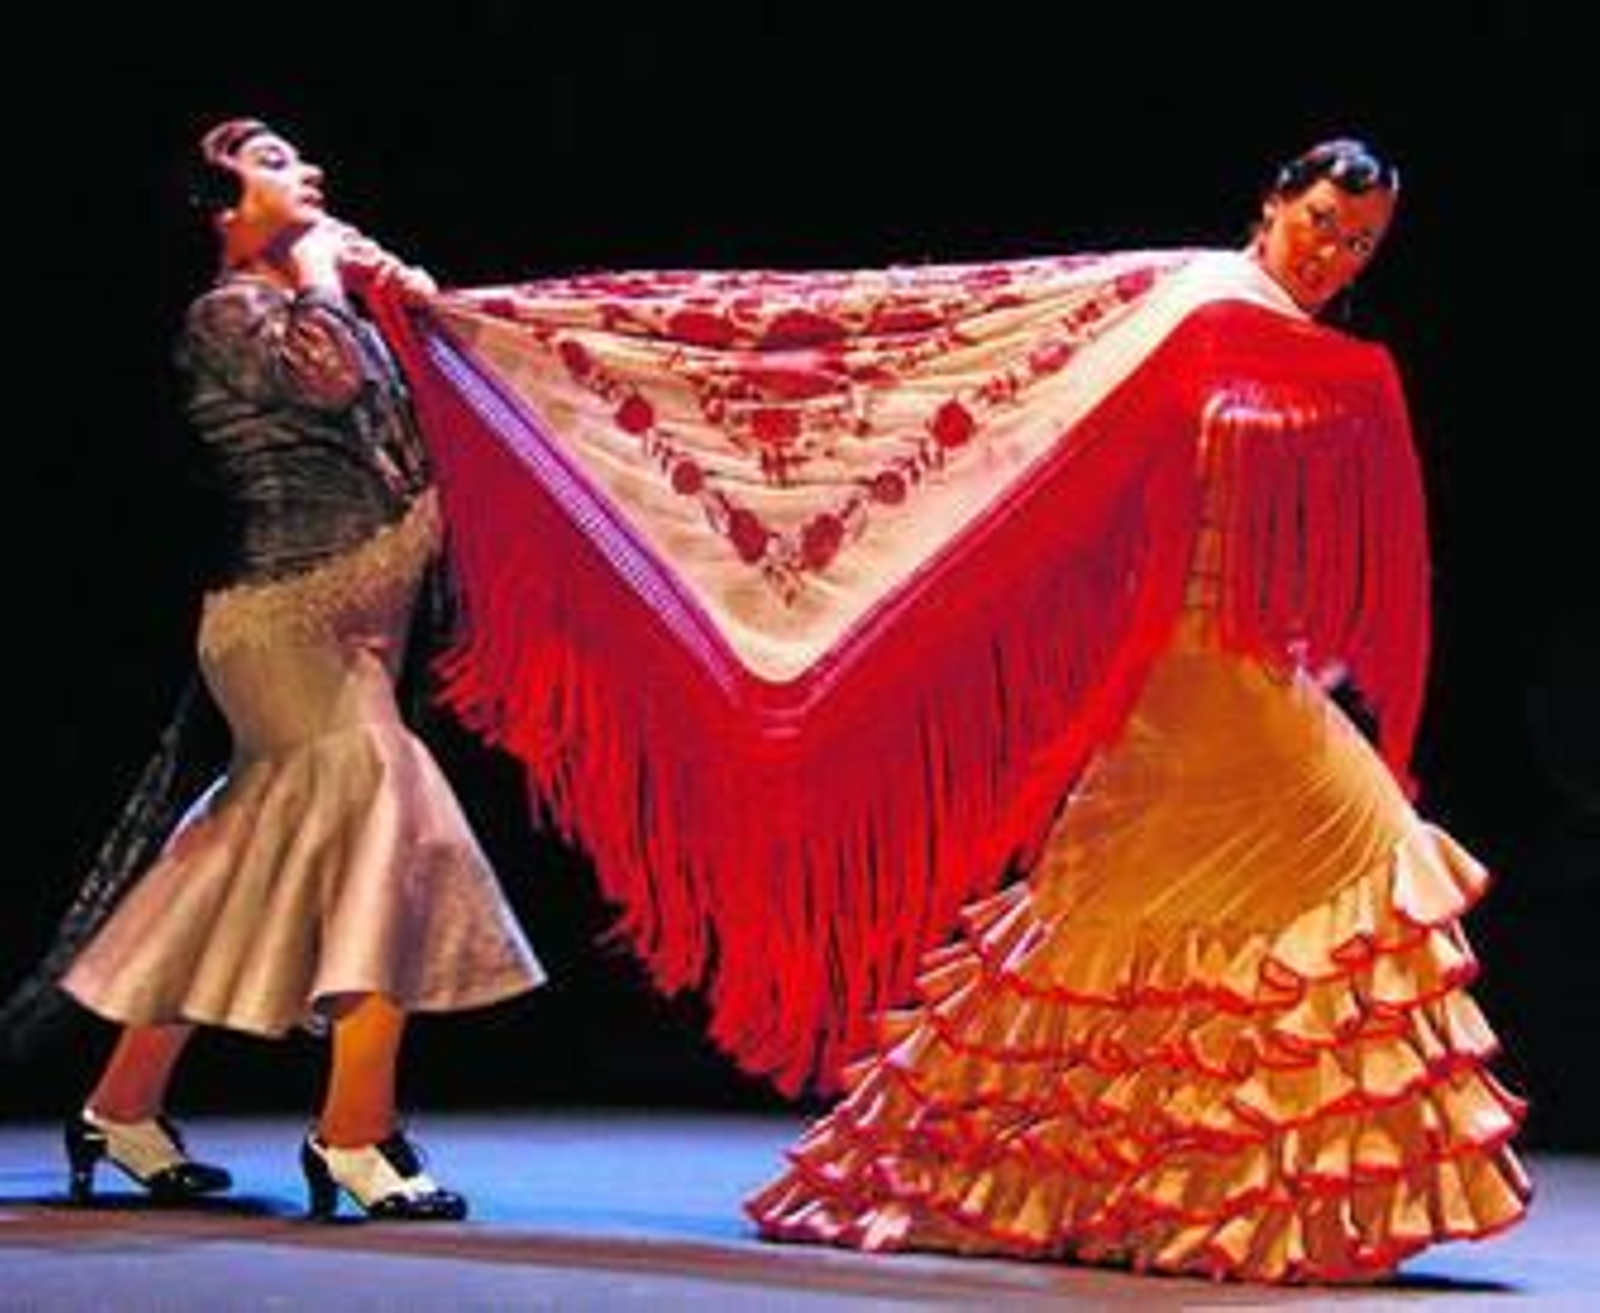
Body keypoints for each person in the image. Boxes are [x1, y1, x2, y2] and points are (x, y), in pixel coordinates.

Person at [740, 138, 1532, 1283]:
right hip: (1185, 655)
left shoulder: (1297, 339)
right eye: (1318, 220)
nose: (1332, 251)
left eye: (1359, 241)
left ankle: (1089, 1178)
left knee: (1126, 897)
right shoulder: (1199, 300)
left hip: (1231, 658)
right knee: (1361, 852)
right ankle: (1193, 1182)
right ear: (1270, 200)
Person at [2, 117, 544, 1221]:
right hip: (289, 623)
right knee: (394, 826)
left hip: (360, 619)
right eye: (279, 163)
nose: (314, 174)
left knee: (243, 856)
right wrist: (328, 264)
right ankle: (355, 1132)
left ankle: (120, 1109)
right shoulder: (231, 314)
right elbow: (334, 379)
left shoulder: (308, 294)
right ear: (218, 204)